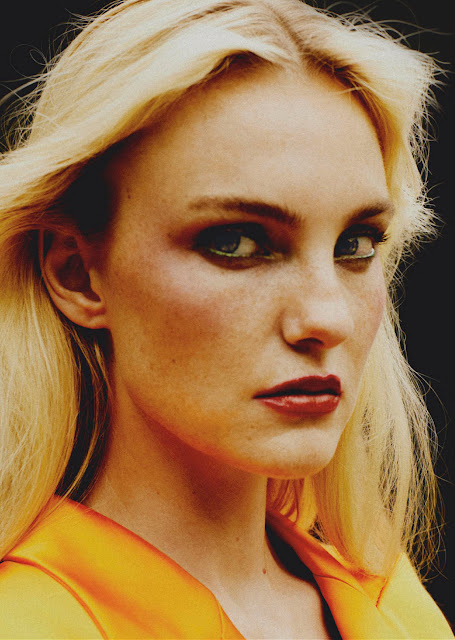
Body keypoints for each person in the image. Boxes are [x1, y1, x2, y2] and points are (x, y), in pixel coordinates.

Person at [0, 0, 452, 637]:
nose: (327, 317)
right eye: (236, 243)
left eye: (355, 244)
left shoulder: (390, 602)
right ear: (77, 273)